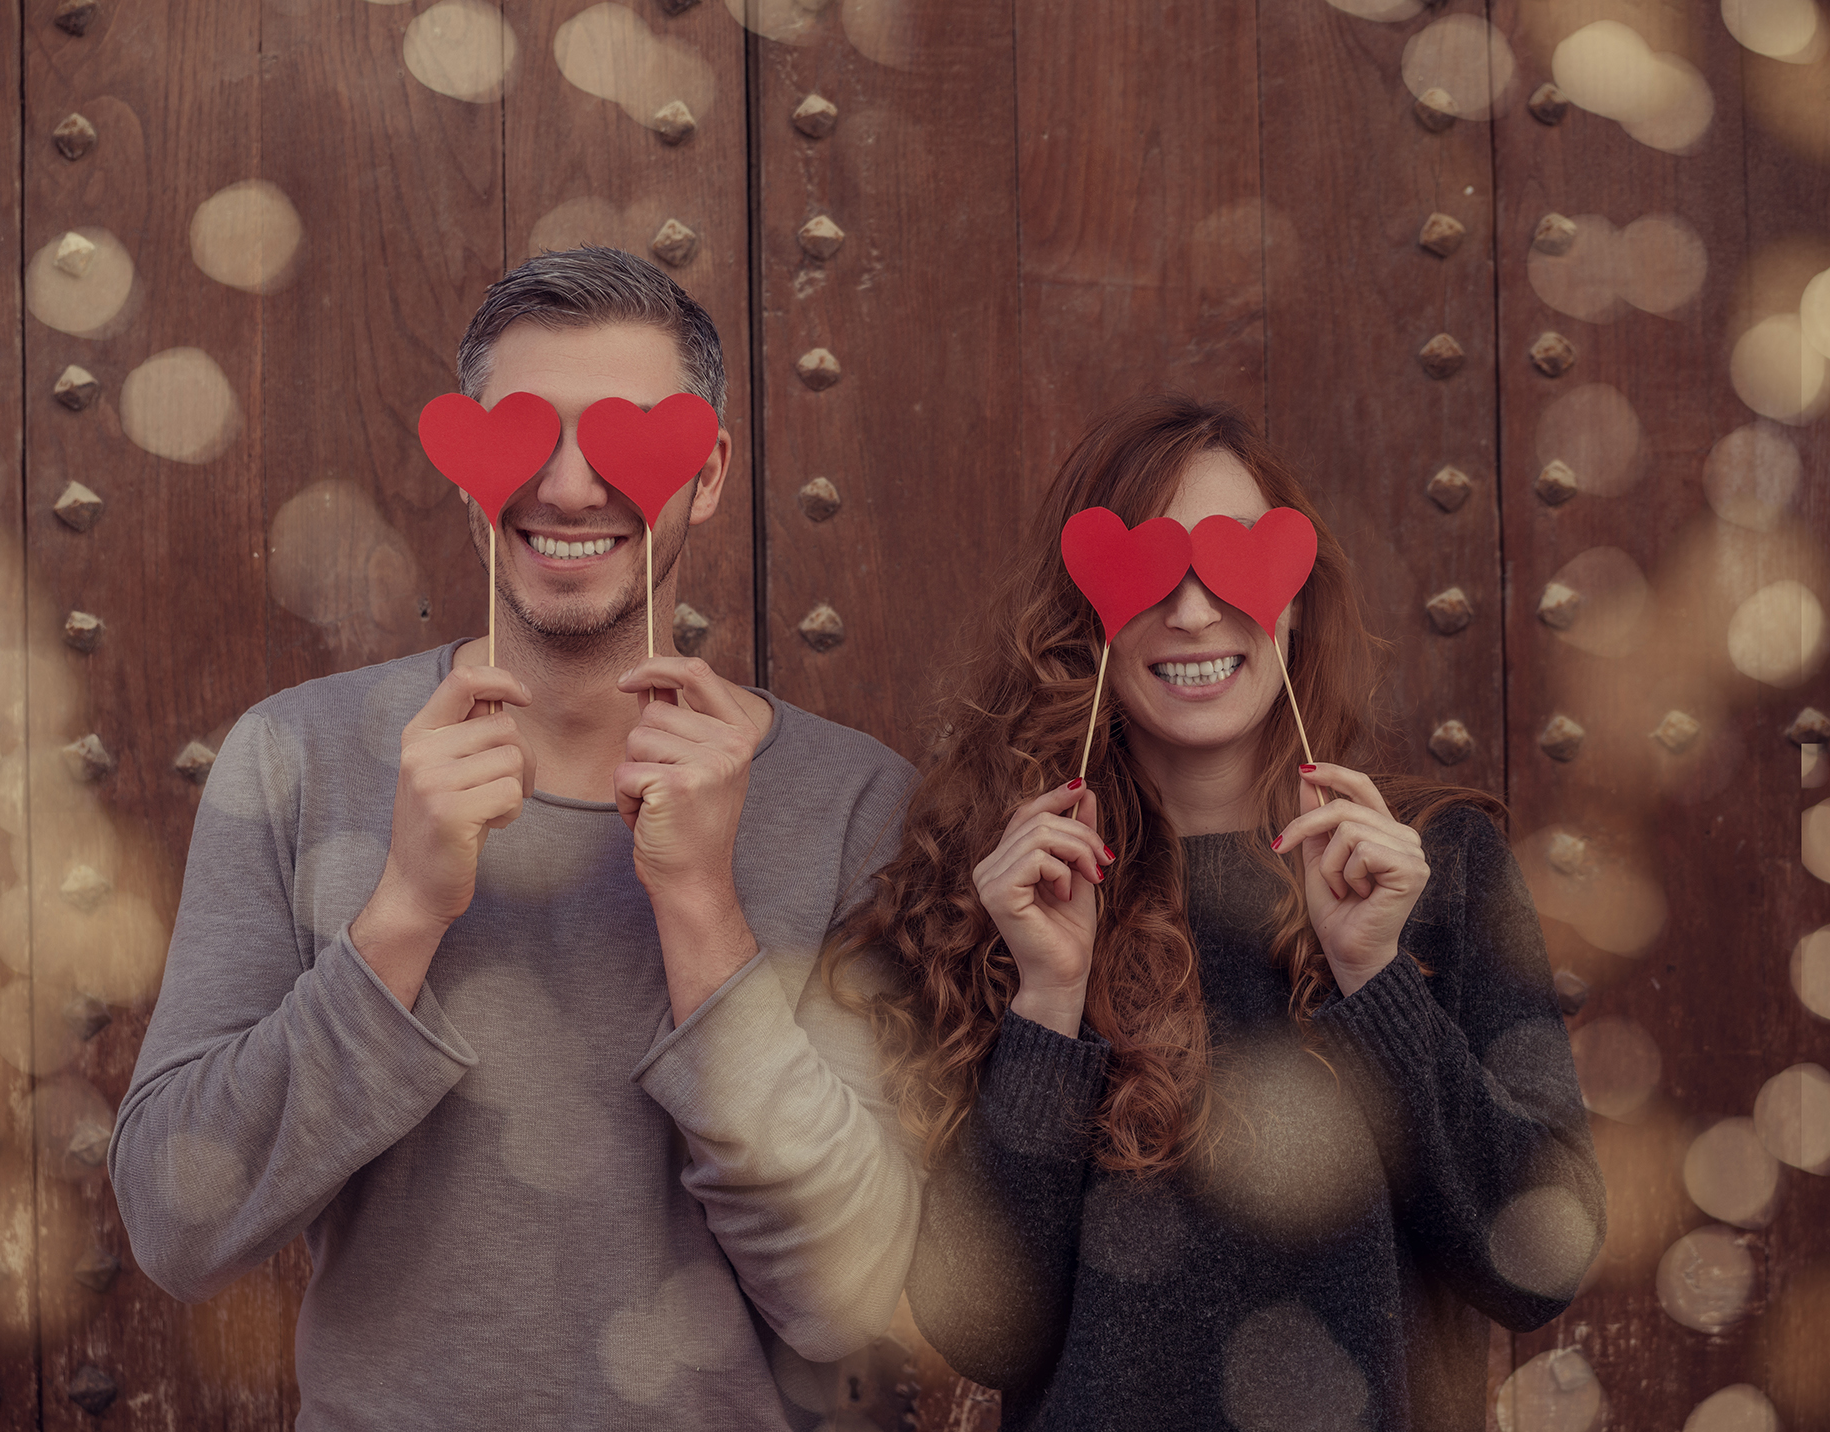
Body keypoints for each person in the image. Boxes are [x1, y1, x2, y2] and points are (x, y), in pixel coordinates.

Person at [109, 247, 919, 1430]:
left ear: (707, 471)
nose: (573, 487)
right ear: (463, 467)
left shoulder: (855, 804)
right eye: (527, 433)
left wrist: (701, 910)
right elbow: (176, 1226)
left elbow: (855, 1300)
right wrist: (401, 915)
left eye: (628, 436)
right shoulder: (294, 759)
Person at [834, 396, 1604, 1431]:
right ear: (1085, 612)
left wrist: (1377, 982)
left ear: (1296, 597)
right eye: (1150, 567)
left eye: (1235, 557)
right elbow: (980, 1330)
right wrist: (1050, 1002)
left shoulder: (1439, 870)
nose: (1194, 611)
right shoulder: (1009, 895)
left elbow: (1539, 1261)